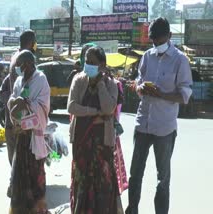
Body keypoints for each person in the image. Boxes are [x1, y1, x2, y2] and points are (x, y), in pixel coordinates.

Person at [125, 17, 193, 214]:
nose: (156, 44)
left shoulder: (180, 60)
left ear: (170, 37)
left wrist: (161, 94)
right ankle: (132, 210)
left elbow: (185, 95)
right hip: (143, 123)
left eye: (160, 41)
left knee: (162, 178)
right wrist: (140, 87)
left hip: (164, 128)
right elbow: (139, 79)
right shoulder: (147, 56)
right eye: (153, 41)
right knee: (135, 173)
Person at [68, 46, 119, 213]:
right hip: (81, 141)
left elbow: (109, 108)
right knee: (82, 182)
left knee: (102, 183)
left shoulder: (111, 83)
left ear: (102, 65)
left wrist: (101, 85)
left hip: (102, 143)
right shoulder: (78, 79)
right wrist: (94, 113)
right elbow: (72, 107)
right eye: (86, 62)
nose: (88, 65)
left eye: (93, 62)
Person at [8, 50, 50, 214]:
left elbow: (43, 105)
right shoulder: (19, 80)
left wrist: (25, 103)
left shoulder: (40, 79)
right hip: (21, 136)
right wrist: (14, 101)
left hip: (33, 136)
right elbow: (12, 98)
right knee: (19, 174)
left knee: (34, 176)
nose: (18, 69)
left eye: (20, 66)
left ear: (29, 64)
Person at [0, 29, 37, 166]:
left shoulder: (16, 57)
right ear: (32, 43)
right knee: (20, 158)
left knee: (16, 157)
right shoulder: (23, 61)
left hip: (15, 114)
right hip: (20, 118)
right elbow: (24, 92)